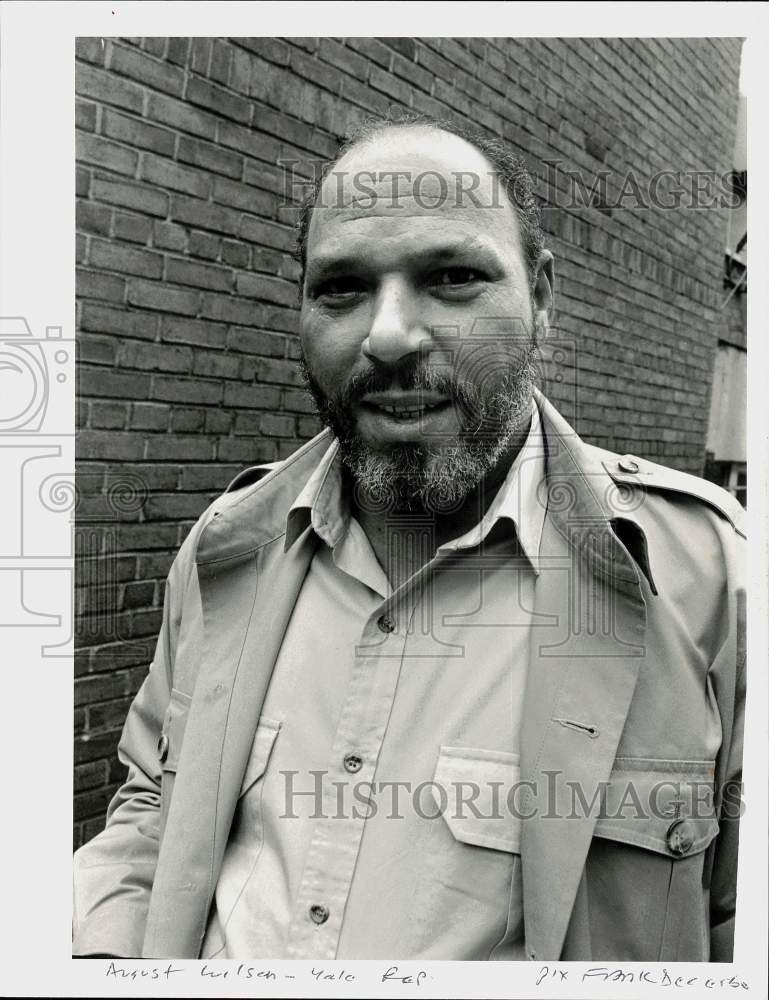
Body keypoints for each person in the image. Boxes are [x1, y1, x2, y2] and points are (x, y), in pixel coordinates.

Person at [72, 111, 745, 962]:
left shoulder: (710, 584)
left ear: (540, 297)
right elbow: (149, 808)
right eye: (341, 288)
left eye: (453, 276)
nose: (388, 335)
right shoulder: (227, 548)